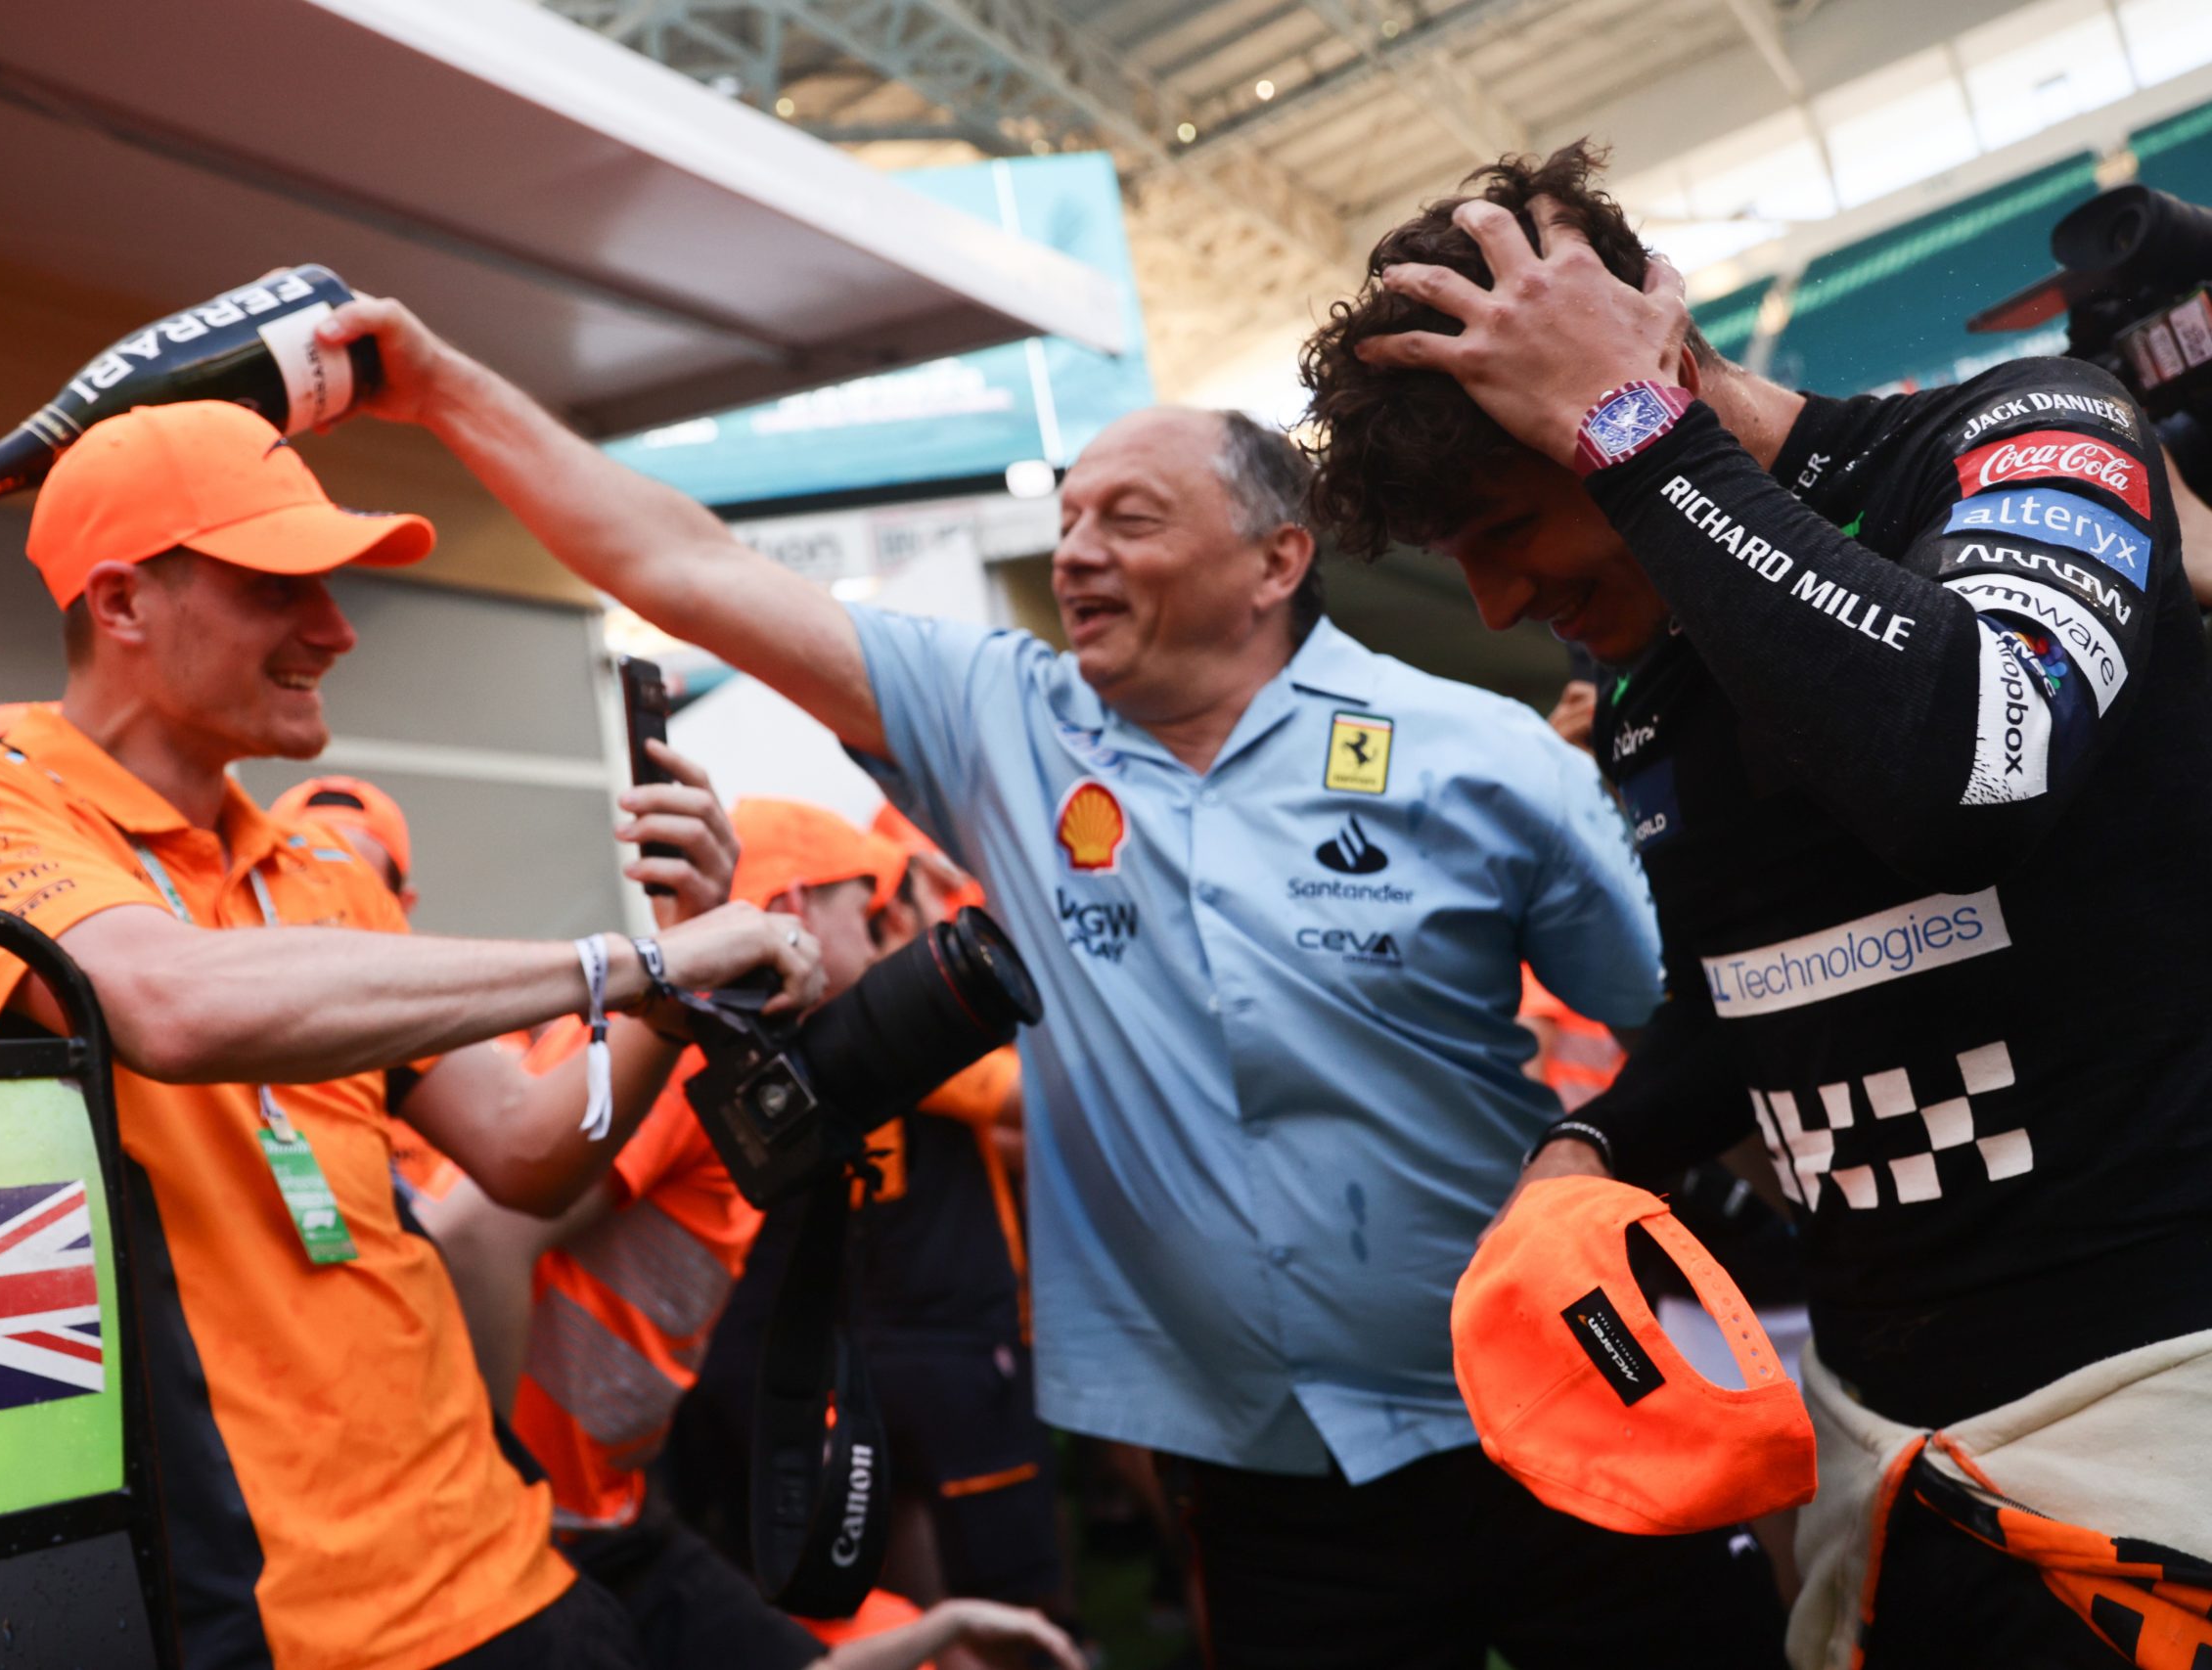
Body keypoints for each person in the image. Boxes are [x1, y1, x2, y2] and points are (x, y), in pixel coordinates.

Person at [307, 300, 1785, 1666]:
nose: (1075, 550)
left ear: (1277, 561)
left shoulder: (1486, 751)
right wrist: (437, 386)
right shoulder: (1000, 724)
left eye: (1127, 518)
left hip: (1554, 1396)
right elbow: (682, 565)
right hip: (1263, 1472)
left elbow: (1664, 1019)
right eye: (1066, 516)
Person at [1301, 141, 2212, 1666]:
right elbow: (1763, 983)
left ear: (1645, 374)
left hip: (2155, 1401)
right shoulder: (1656, 655)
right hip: (1879, 1438)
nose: (1498, 608)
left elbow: (1978, 767)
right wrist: (1587, 1152)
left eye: (1507, 529)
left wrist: (1634, 440)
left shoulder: (2025, 430)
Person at [0, 399, 824, 1670]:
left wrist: (664, 997)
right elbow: (169, 1002)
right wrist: (619, 959)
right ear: (124, 601)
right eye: (277, 586)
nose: (337, 628)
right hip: (273, 1617)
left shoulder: (312, 859)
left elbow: (527, 1149)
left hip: (511, 1568)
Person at [316, 788, 1081, 1670]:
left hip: (607, 1507)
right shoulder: (686, 1050)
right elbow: (477, 1235)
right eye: (868, 910)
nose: (884, 942)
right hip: (538, 1529)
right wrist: (489, 1502)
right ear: (792, 905)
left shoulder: (727, 1046)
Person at [680, 799, 1060, 1621]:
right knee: (980, 1596)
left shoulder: (706, 1042)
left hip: (793, 1367)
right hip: (893, 1346)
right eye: (877, 905)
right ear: (791, 911)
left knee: (890, 1586)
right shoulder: (823, 1042)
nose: (898, 933)